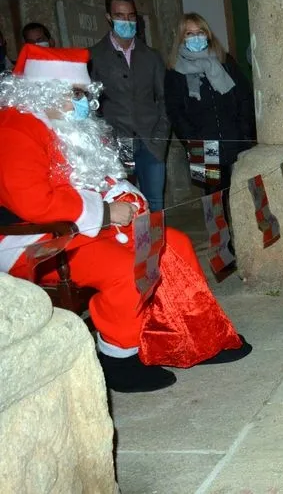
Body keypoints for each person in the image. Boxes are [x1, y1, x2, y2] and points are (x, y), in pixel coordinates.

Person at [0, 45, 251, 393]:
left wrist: (122, 196)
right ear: (47, 91)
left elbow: (98, 178)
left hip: (84, 226)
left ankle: (194, 335)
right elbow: (32, 201)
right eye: (78, 94)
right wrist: (105, 213)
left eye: (86, 93)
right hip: (36, 239)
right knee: (124, 268)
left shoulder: (66, 125)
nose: (86, 103)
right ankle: (119, 358)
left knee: (172, 243)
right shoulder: (16, 130)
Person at [164, 12, 255, 225]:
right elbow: (175, 111)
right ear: (181, 38)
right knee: (213, 200)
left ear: (208, 34)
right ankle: (220, 244)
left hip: (234, 139)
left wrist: (244, 129)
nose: (196, 37)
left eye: (200, 32)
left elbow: (244, 95)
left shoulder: (225, 61)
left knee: (240, 193)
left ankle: (243, 238)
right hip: (201, 144)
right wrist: (192, 140)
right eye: (189, 33)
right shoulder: (174, 71)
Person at [88, 0, 170, 211]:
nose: (127, 21)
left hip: (151, 141)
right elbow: (91, 103)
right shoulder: (94, 56)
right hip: (116, 144)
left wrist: (161, 135)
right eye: (120, 16)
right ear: (109, 17)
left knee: (155, 203)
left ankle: (156, 237)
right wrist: (103, 139)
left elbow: (164, 98)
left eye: (131, 16)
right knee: (125, 203)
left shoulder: (151, 57)